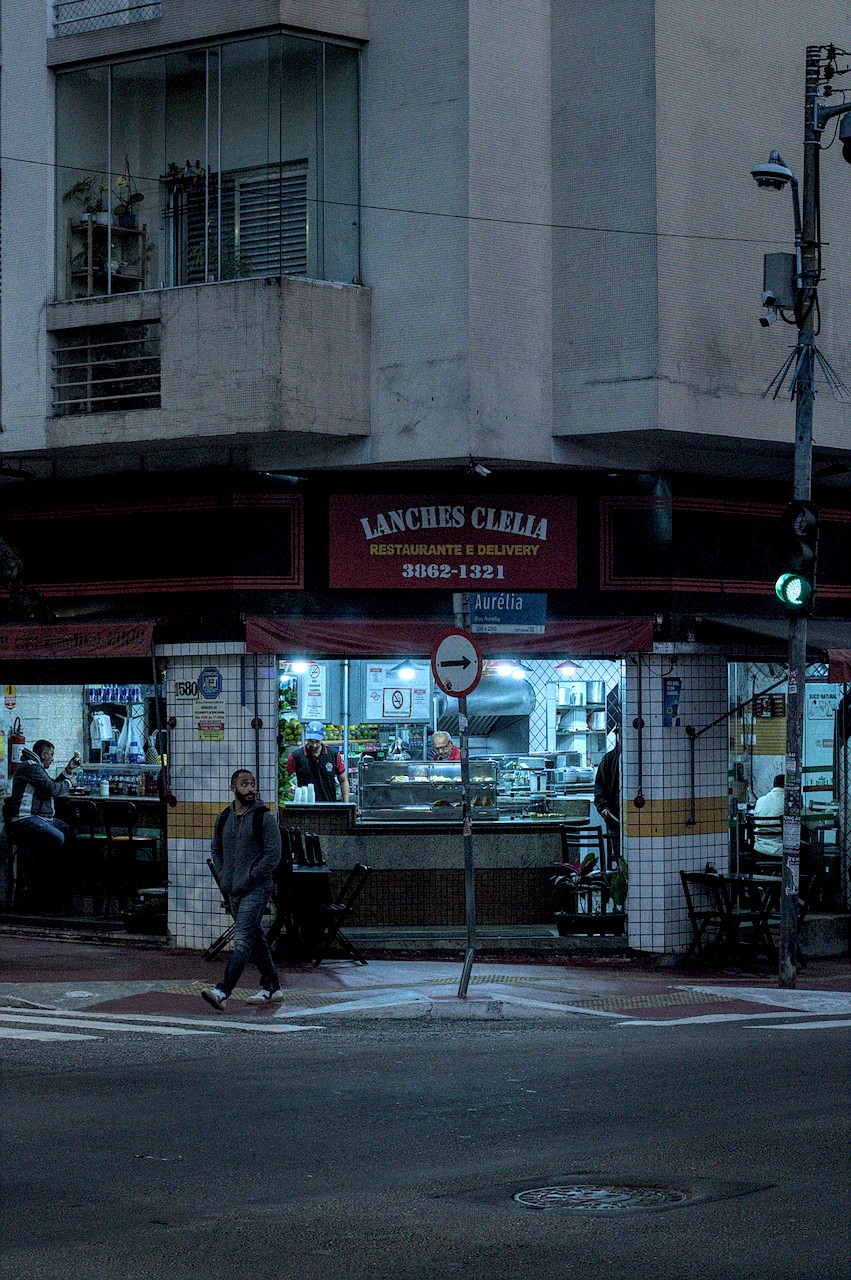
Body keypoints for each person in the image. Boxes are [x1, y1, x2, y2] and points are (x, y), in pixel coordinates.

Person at [202, 769, 283, 1012]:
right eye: (244, 784)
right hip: (233, 890)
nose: (250, 788)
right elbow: (216, 849)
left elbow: (273, 854)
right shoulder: (224, 818)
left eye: (253, 784)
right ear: (233, 788)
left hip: (256, 889)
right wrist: (223, 875)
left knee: (243, 941)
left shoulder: (264, 818)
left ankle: (222, 991)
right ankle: (272, 986)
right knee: (255, 938)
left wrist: (251, 876)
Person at [287, 722, 350, 802]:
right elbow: (283, 779)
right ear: (306, 738)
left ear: (322, 738)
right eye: (311, 741)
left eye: (317, 741)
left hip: (329, 807)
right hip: (304, 807)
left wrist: (346, 804)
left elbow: (343, 780)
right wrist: (290, 786)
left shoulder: (333, 755)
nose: (314, 745)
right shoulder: (296, 756)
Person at [594, 731, 620, 861]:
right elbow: (599, 789)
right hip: (614, 819)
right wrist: (604, 808)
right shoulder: (609, 760)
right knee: (619, 856)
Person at [753, 773, 784, 856]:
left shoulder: (760, 800)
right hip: (781, 848)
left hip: (760, 848)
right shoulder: (790, 802)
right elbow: (811, 822)